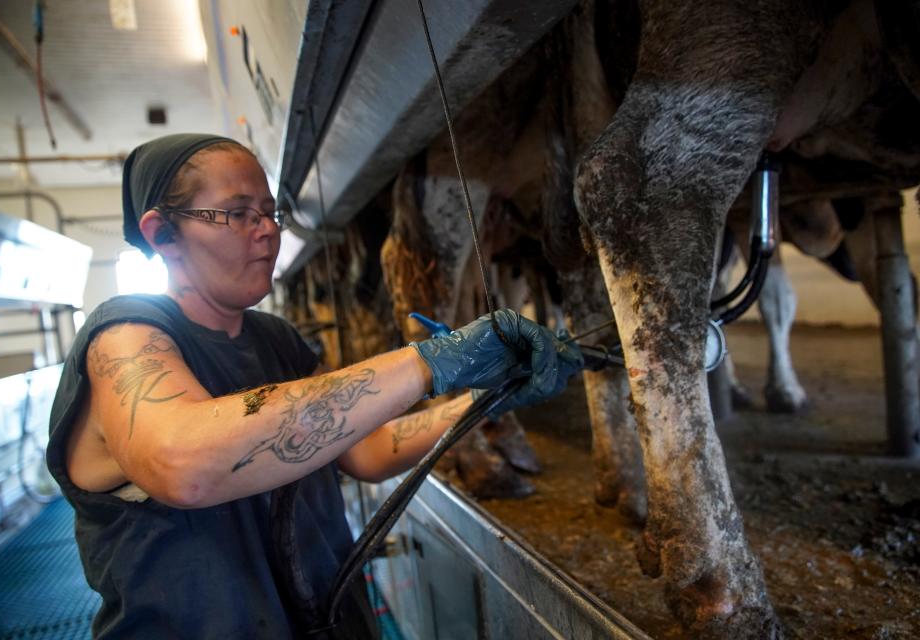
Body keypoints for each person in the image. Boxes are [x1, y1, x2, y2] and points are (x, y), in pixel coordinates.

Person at [46, 133, 583, 639]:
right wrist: (430, 361)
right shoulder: (123, 336)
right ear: (162, 233)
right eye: (237, 214)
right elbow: (183, 464)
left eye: (270, 213)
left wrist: (484, 398)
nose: (268, 231)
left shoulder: (276, 339)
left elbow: (366, 450)